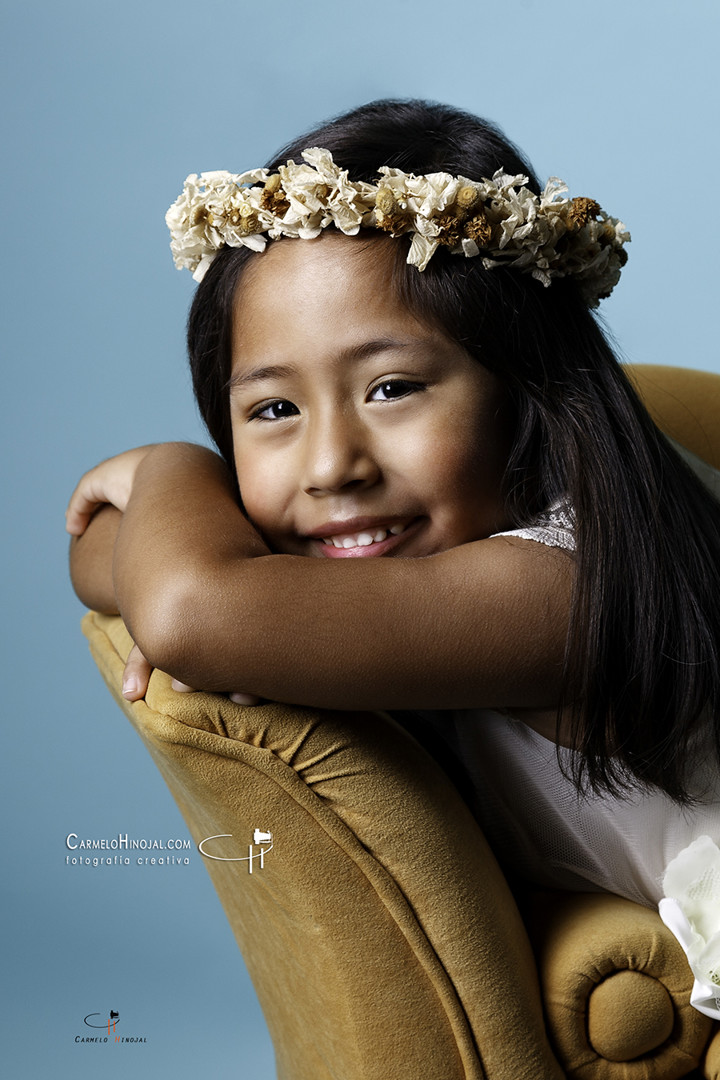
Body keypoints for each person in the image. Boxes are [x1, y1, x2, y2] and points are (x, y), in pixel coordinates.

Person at [67, 100, 720, 919]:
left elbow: (186, 609)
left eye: (393, 389)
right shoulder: (416, 556)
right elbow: (96, 550)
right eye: (273, 410)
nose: (333, 466)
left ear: (529, 391)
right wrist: (180, 550)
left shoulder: (562, 588)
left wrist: (168, 469)